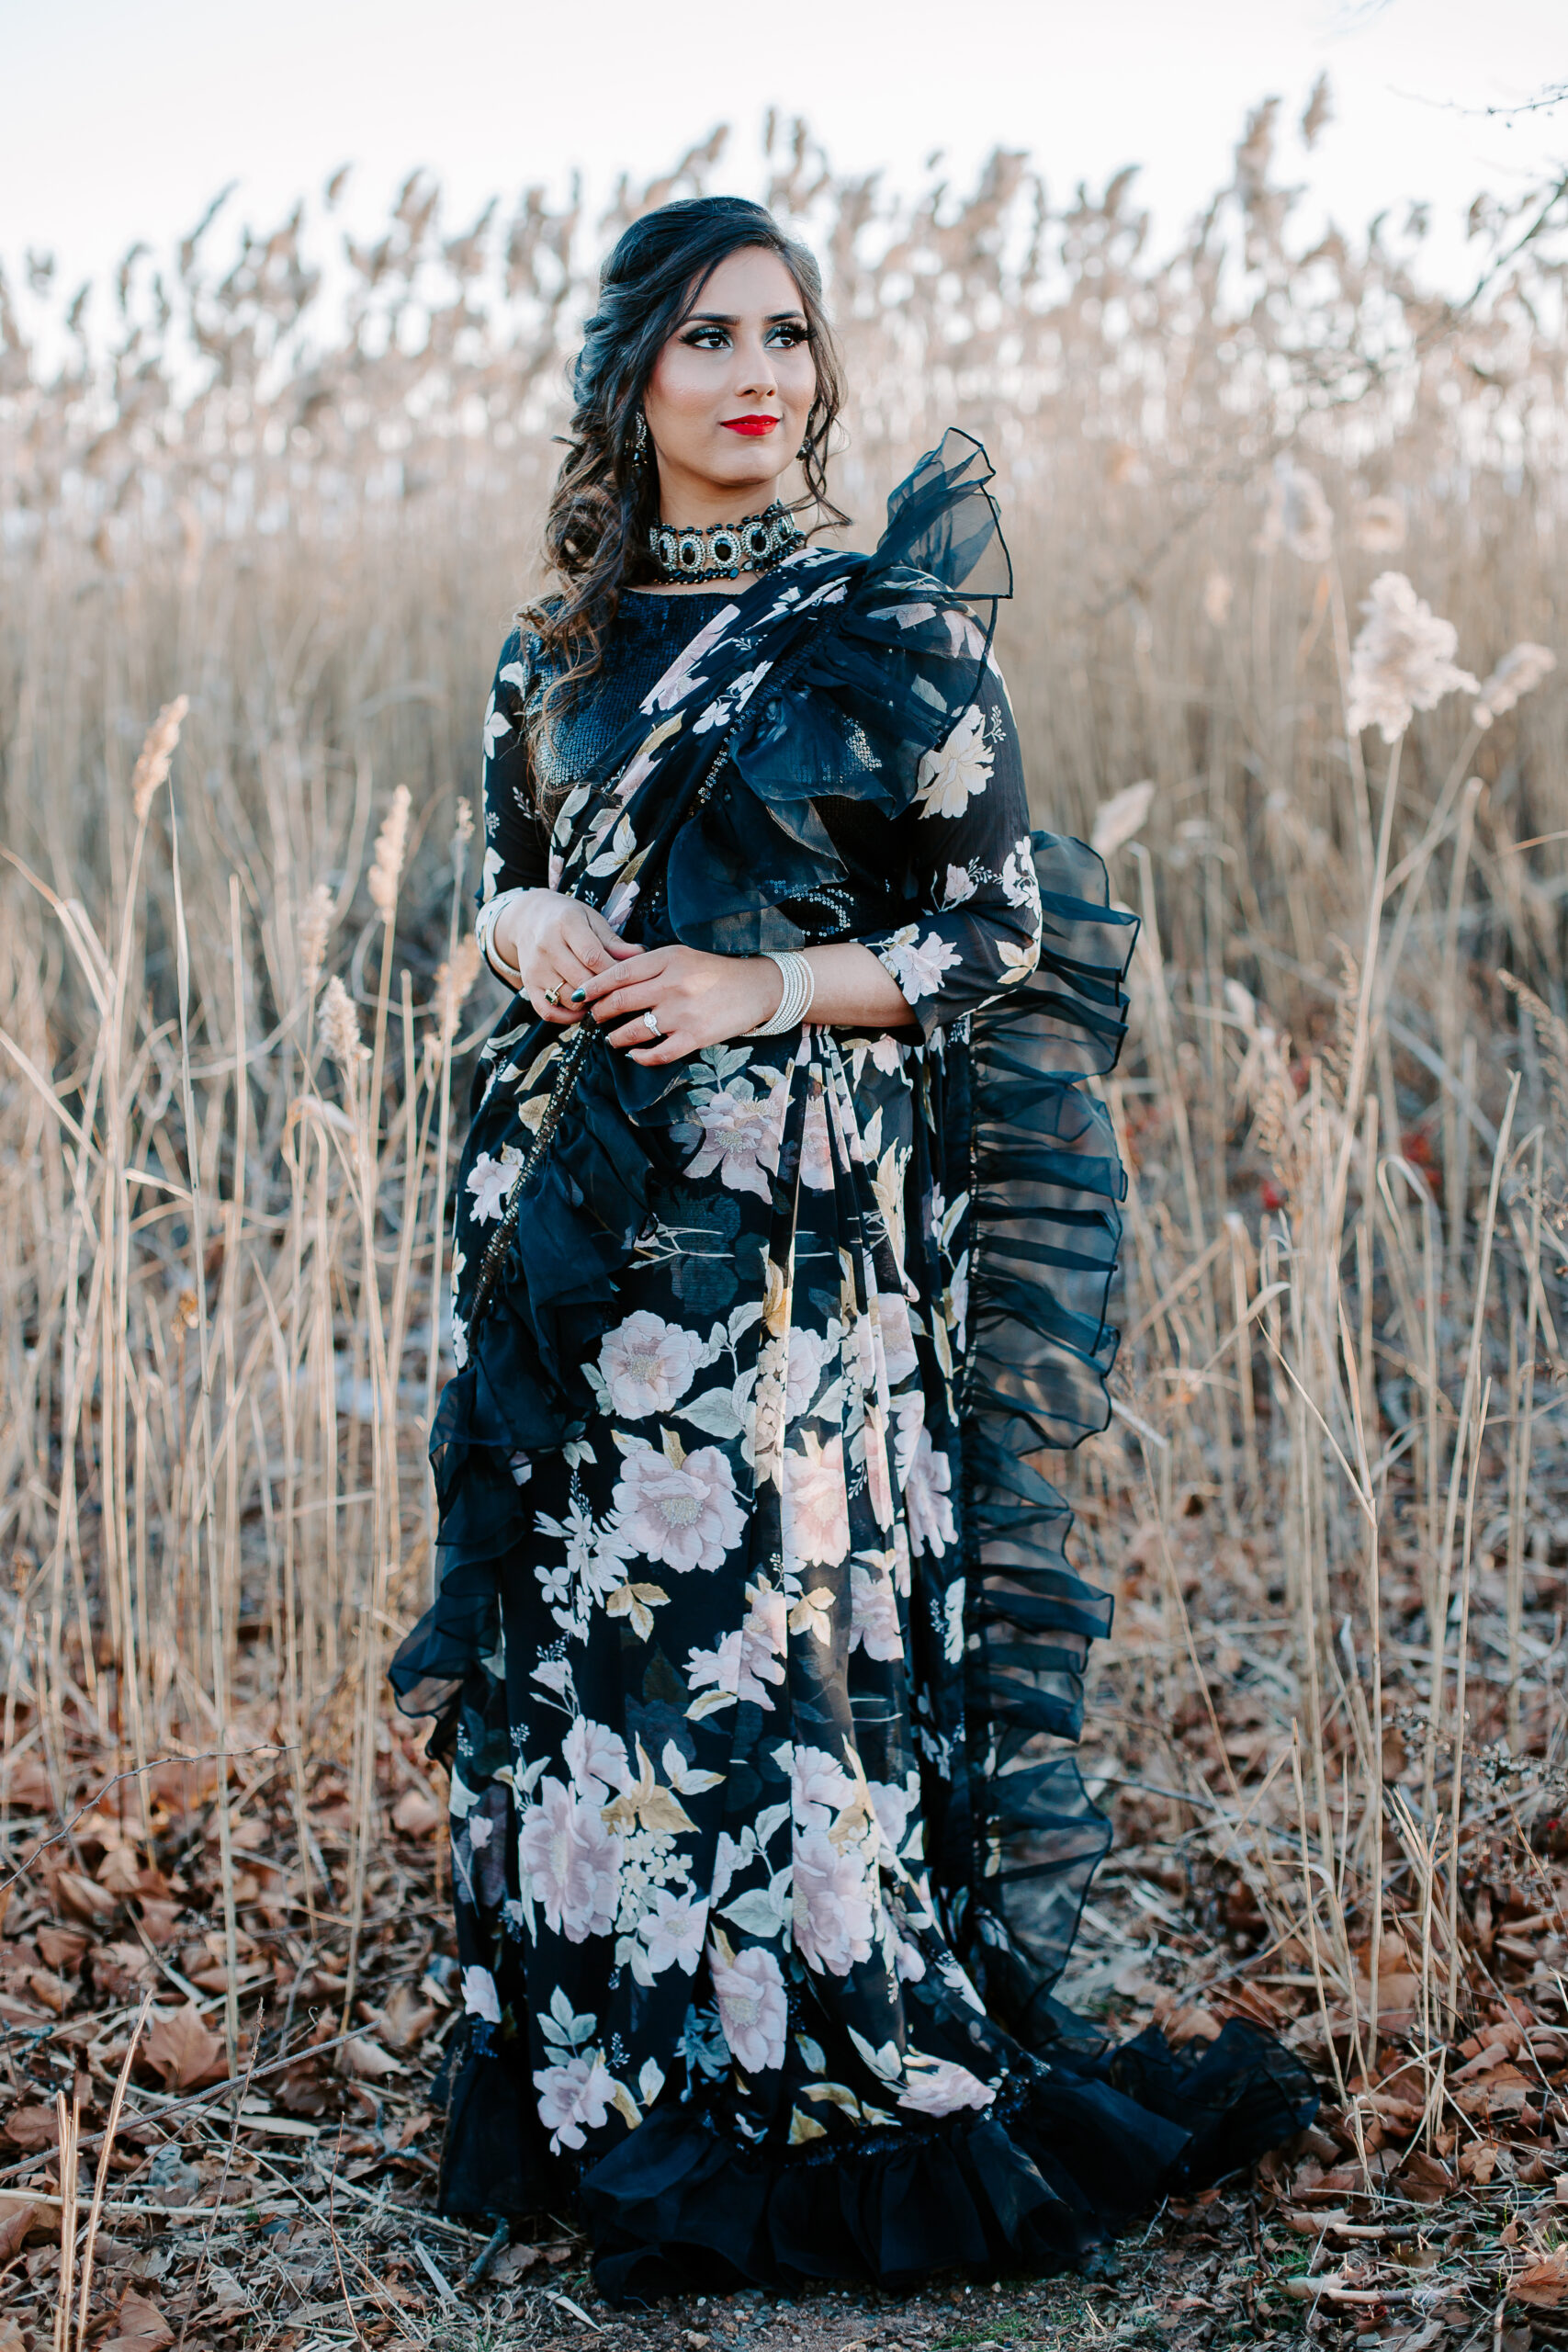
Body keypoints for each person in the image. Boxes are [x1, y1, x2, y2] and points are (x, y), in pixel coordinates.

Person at [390, 194, 1314, 2301]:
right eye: (706, 335)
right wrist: (520, 924)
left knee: (768, 1625)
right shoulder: (550, 651)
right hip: (576, 1230)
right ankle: (605, 2051)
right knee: (584, 1630)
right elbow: (506, 866)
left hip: (791, 1238)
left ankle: (797, 2035)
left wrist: (763, 984)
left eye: (785, 334)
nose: (755, 374)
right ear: (628, 373)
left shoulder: (887, 632)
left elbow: (990, 934)